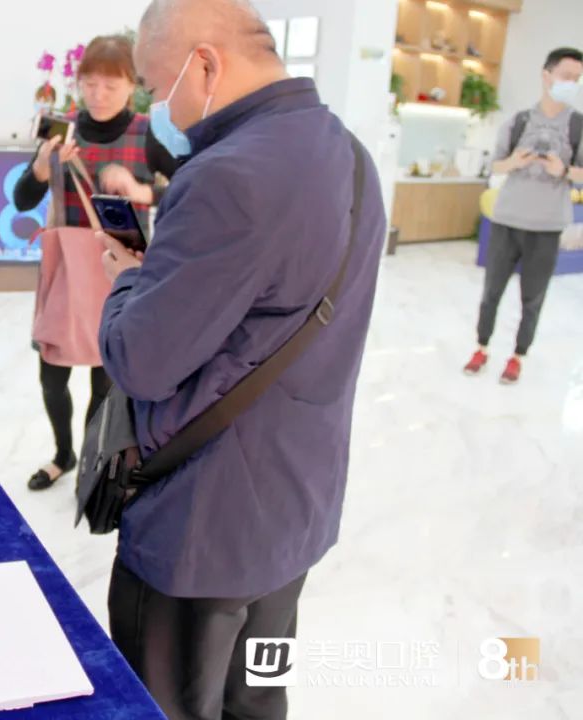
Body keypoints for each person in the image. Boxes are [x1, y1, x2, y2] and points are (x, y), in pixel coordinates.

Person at [98, 1, 385, 718]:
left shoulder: (227, 174)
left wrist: (129, 278)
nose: (157, 109)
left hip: (201, 533)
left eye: (155, 85)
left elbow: (139, 360)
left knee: (167, 704)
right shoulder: (352, 156)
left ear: (204, 65)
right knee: (258, 698)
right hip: (294, 518)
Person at [13, 34, 175, 492]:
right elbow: (22, 198)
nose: (99, 95)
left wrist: (142, 191)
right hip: (68, 268)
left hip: (121, 272)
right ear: (78, 83)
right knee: (52, 374)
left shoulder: (148, 132)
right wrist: (42, 168)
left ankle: (90, 463)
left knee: (104, 383)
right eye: (90, 84)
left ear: (131, 86)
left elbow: (190, 186)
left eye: (111, 85)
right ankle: (62, 454)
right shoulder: (61, 130)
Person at [464, 47, 583, 384]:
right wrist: (515, 162)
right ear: (547, 75)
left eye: (577, 79)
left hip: (547, 226)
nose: (572, 83)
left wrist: (563, 170)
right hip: (507, 220)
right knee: (491, 293)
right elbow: (495, 165)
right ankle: (481, 348)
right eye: (566, 76)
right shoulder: (518, 122)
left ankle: (517, 357)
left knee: (533, 298)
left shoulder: (578, 126)